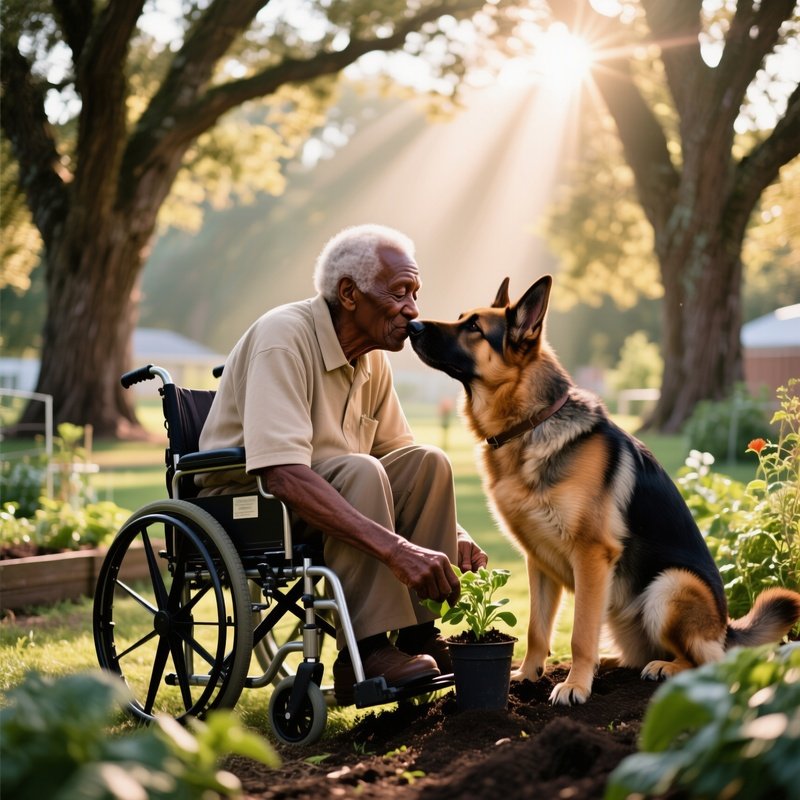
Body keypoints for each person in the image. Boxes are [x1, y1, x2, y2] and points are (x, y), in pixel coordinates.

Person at [198, 224, 488, 704]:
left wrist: (453, 533)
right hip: (251, 507)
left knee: (428, 463)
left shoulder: (374, 359)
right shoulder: (283, 337)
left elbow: (401, 458)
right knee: (360, 470)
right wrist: (397, 550)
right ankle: (366, 653)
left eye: (415, 293)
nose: (413, 310)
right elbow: (281, 473)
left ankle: (418, 639)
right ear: (349, 294)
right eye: (399, 293)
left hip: (330, 492)